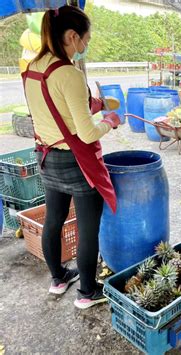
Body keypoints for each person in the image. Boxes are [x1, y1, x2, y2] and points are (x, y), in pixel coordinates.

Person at [22, 5, 120, 309]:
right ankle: (87, 293)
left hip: (46, 158)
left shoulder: (32, 69)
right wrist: (110, 121)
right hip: (76, 163)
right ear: (72, 36)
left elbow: (55, 109)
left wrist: (96, 103)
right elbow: (87, 134)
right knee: (87, 230)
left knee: (54, 220)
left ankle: (58, 279)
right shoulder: (70, 74)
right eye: (85, 40)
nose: (85, 46)